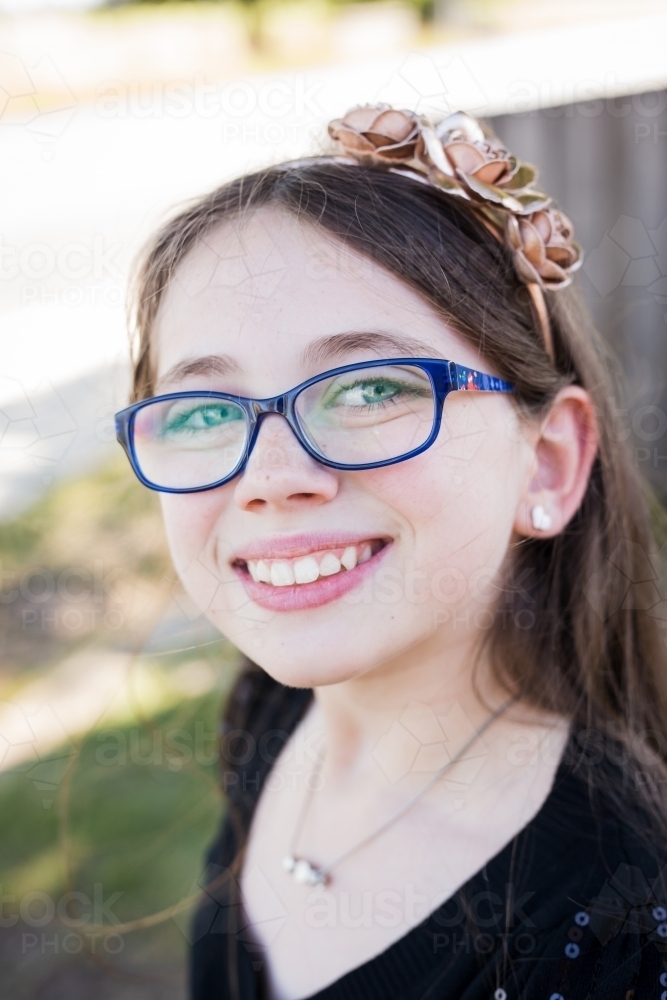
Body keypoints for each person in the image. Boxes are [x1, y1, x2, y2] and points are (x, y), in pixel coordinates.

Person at [116, 105, 667, 999]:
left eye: (371, 387)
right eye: (208, 411)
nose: (270, 476)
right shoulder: (270, 712)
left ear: (547, 462)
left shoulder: (617, 939)